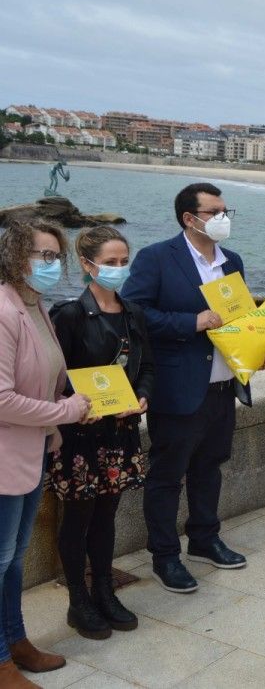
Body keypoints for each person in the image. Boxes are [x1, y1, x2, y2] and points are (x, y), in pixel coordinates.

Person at [123, 182, 263, 593]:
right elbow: (136, 313)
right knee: (167, 477)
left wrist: (259, 346)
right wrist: (191, 322)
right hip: (179, 388)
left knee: (209, 468)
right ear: (189, 218)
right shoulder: (157, 258)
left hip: (223, 387)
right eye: (214, 211)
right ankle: (165, 556)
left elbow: (237, 317)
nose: (223, 218)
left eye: (226, 211)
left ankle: (204, 538)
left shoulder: (231, 260)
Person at [48, 226, 153, 639]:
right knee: (78, 516)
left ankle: (105, 590)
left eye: (124, 261)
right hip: (80, 436)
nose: (118, 269)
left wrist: (143, 396)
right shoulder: (70, 315)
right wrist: (76, 405)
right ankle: (78, 600)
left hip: (120, 432)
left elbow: (146, 367)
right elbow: (54, 376)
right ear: (88, 265)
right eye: (110, 262)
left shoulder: (133, 313)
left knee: (107, 515)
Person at [0, 219, 89, 682]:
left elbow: (44, 382)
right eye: (42, 255)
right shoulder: (2, 310)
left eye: (57, 256)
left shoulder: (37, 306)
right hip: (4, 457)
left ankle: (15, 641)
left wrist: (62, 411)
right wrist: (67, 413)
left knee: (14, 559)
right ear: (14, 255)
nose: (52, 264)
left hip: (32, 450)